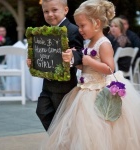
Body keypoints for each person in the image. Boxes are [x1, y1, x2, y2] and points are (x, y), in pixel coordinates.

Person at [40, 0, 140, 149]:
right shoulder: (88, 44)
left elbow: (109, 68)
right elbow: (84, 65)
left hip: (99, 90)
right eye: (79, 26)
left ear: (96, 23)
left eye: (82, 25)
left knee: (100, 127)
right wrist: (75, 60)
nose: (79, 30)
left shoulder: (104, 43)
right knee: (82, 127)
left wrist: (89, 61)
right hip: (85, 89)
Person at [27, 0, 83, 131]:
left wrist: (72, 56)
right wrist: (33, 61)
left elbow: (80, 53)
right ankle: (57, 138)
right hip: (47, 84)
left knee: (62, 116)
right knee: (42, 111)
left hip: (64, 86)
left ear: (66, 10)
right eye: (46, 11)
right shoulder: (44, 32)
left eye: (54, 10)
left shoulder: (73, 30)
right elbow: (43, 54)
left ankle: (63, 141)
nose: (50, 14)